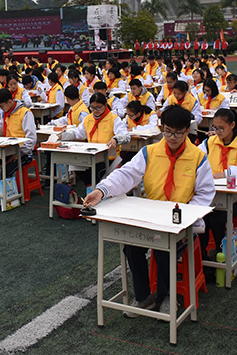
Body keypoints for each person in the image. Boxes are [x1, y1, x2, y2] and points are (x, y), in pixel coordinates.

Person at [83, 105, 215, 317]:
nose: (172, 137)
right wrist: (102, 190)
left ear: (186, 131)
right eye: (168, 131)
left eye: (178, 133)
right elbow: (126, 175)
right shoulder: (150, 152)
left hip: (180, 220)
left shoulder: (198, 157)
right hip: (152, 215)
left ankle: (166, 297)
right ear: (162, 128)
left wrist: (188, 216)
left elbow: (205, 192)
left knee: (165, 252)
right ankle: (144, 296)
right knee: (131, 247)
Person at [198, 108, 237, 258]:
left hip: (234, 198)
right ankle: (202, 257)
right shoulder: (210, 142)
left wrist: (226, 174)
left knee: (217, 219)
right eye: (215, 128)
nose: (217, 131)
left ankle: (222, 255)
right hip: (210, 194)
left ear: (232, 125)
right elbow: (196, 159)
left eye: (221, 128)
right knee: (199, 218)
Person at [60, 92, 130, 192]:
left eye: (98, 107)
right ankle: (91, 187)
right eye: (92, 108)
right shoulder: (88, 119)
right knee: (74, 165)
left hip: (108, 158)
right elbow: (78, 133)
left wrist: (116, 139)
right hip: (92, 155)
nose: (95, 111)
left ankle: (96, 189)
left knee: (97, 172)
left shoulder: (114, 119)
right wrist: (62, 136)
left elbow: (126, 136)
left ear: (105, 105)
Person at [0, 88, 37, 183]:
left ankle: (7, 194)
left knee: (6, 169)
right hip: (7, 150)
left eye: (2, 106)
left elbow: (31, 139)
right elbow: (3, 131)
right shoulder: (5, 113)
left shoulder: (25, 113)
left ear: (9, 101)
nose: (1, 109)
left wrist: (19, 152)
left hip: (22, 153)